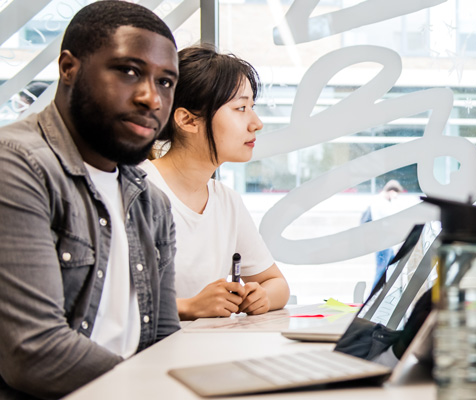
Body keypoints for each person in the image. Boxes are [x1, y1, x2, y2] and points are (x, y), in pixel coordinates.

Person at [0, 2, 180, 397]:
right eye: (129, 71)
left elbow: (164, 340)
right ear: (69, 68)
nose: (152, 98)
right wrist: (151, 390)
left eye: (166, 82)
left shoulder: (151, 202)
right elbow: (35, 353)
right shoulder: (16, 164)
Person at [141, 45, 290, 320]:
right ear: (187, 120)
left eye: (252, 107)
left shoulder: (226, 200)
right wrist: (188, 307)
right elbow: (108, 305)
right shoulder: (137, 190)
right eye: (241, 108)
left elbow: (277, 284)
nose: (256, 123)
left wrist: (261, 296)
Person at [362, 179, 404, 288]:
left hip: (384, 241)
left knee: (389, 267)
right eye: (396, 194)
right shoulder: (380, 202)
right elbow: (390, 219)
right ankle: (373, 297)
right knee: (381, 269)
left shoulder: (379, 201)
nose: (396, 197)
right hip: (381, 241)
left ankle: (379, 295)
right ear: (391, 191)